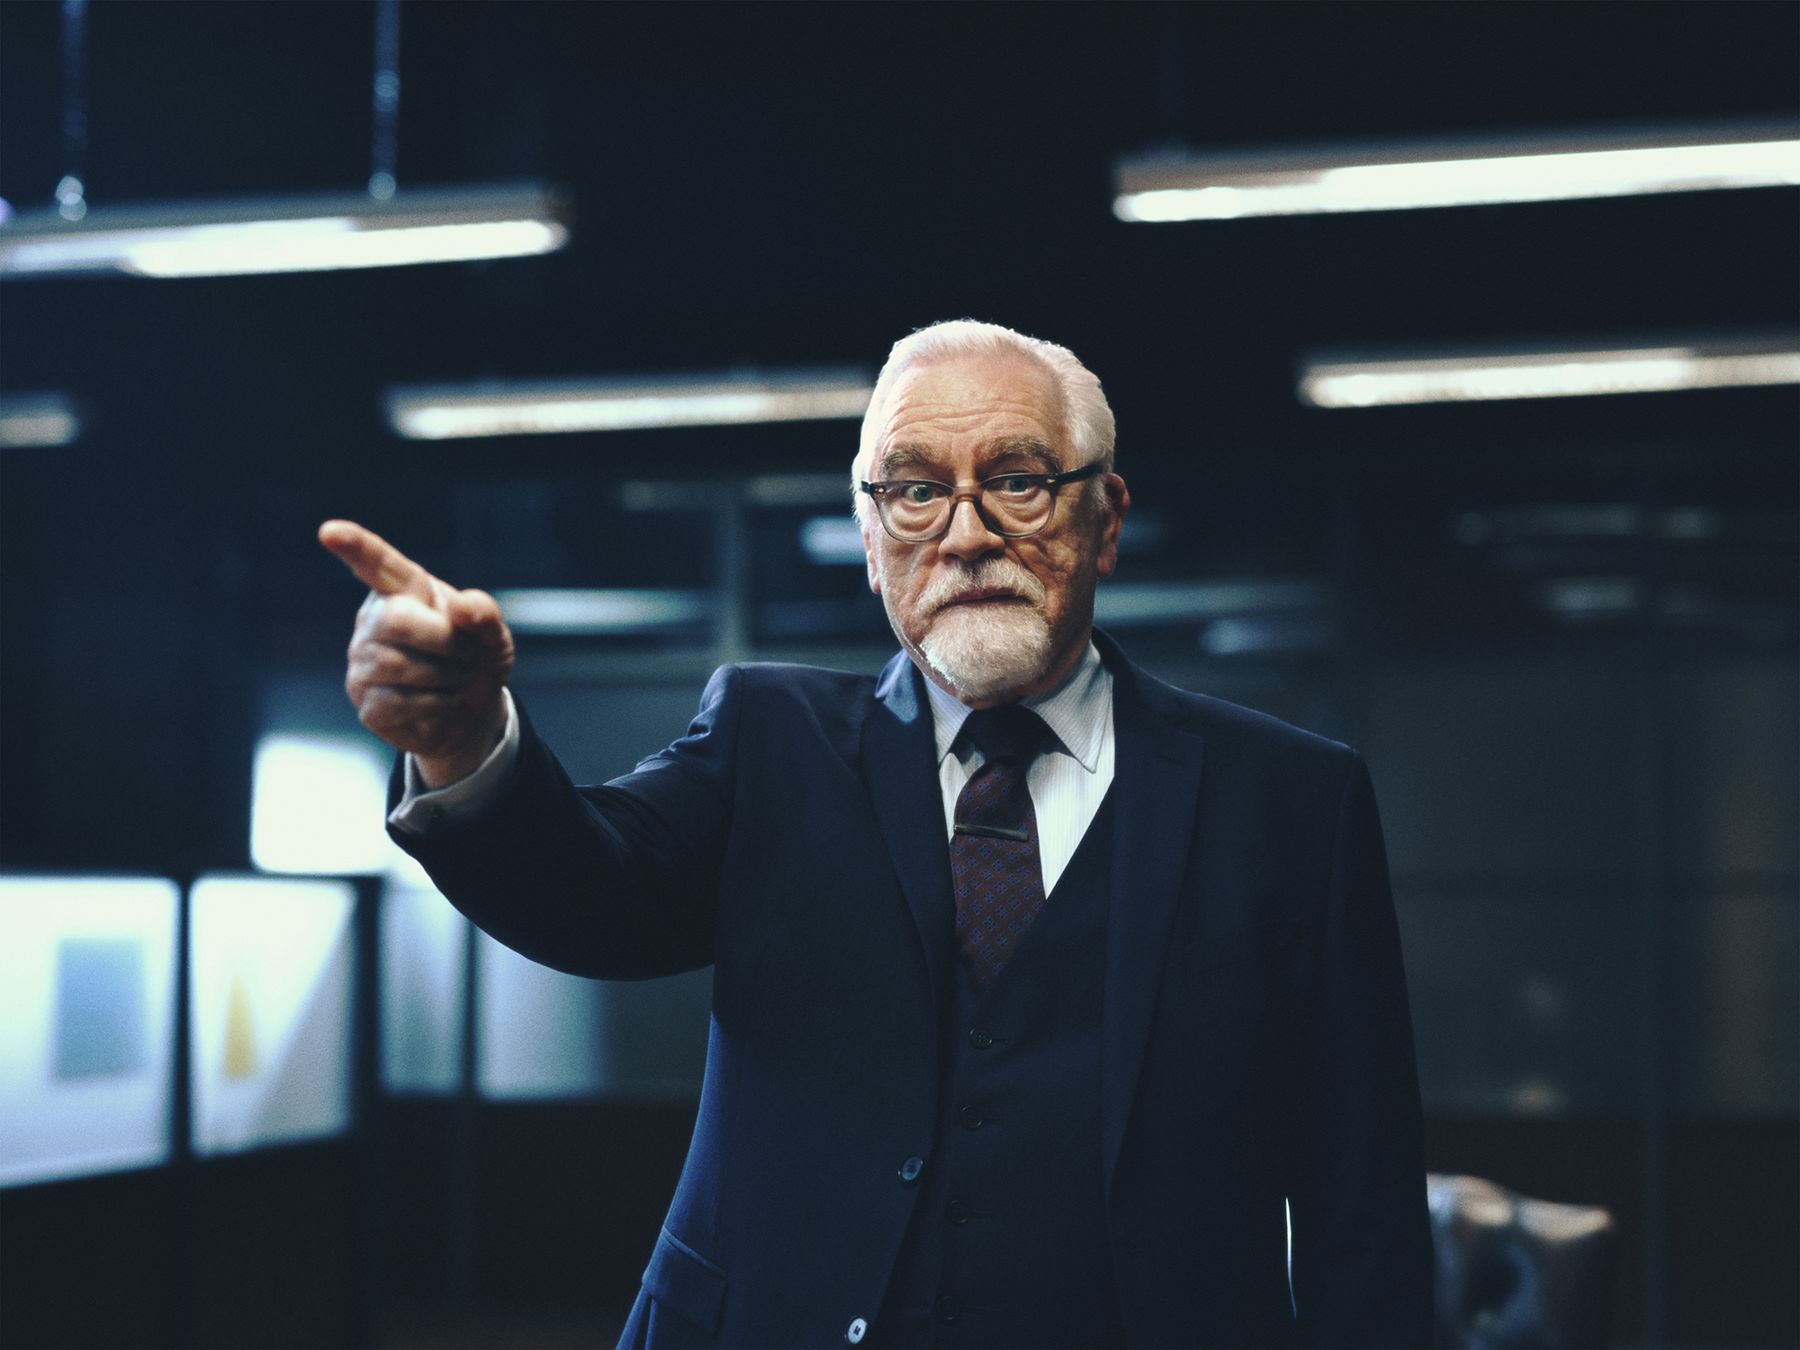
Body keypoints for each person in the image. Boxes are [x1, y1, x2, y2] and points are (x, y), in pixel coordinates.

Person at [320, 320, 1433, 1349]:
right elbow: (586, 888)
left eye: (1018, 482)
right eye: (913, 492)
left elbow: (1362, 1206)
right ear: (867, 538)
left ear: (1106, 520)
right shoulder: (770, 741)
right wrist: (466, 743)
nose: (964, 534)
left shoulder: (1291, 801)